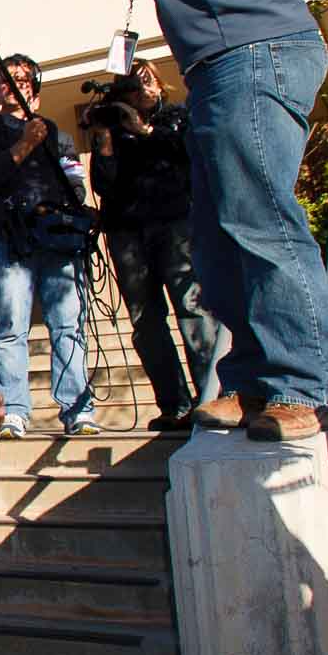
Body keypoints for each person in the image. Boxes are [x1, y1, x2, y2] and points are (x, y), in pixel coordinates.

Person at [76, 0, 328, 442]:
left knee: (258, 220)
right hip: (260, 49)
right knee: (221, 228)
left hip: (243, 53)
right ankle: (254, 381)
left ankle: (302, 388)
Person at [0, 55, 98, 438]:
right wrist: (24, 143)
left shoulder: (57, 133)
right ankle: (14, 411)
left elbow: (75, 181)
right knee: (10, 327)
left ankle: (78, 409)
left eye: (24, 79)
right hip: (8, 241)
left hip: (56, 242)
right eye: (7, 78)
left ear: (35, 91)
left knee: (68, 324)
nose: (15, 83)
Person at [88, 60, 223, 431]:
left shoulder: (177, 119)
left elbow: (187, 158)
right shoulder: (113, 128)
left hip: (175, 224)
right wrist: (104, 141)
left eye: (145, 82)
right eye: (131, 85)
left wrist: (144, 130)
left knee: (192, 309)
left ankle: (211, 395)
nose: (138, 90)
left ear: (161, 87)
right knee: (145, 321)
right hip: (127, 232)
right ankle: (173, 405)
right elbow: (103, 184)